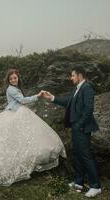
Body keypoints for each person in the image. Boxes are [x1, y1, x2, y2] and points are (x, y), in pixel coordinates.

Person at [42, 66, 101, 198]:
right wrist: (52, 97)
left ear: (80, 75)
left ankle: (95, 186)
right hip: (76, 127)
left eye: (73, 75)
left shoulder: (87, 88)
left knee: (85, 155)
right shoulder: (77, 88)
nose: (71, 78)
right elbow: (68, 102)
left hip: (81, 127)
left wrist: (79, 125)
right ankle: (78, 183)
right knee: (78, 154)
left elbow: (88, 109)